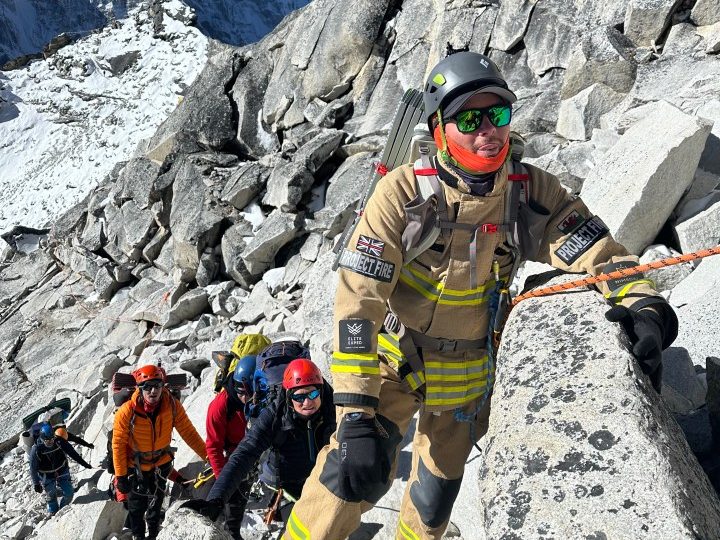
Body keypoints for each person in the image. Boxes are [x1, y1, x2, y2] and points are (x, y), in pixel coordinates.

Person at [284, 51, 679, 539]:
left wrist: (643, 304)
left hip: (467, 376)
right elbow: (358, 302)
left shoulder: (529, 191)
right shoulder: (402, 196)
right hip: (394, 360)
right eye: (470, 118)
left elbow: (596, 249)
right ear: (438, 129)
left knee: (431, 505)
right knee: (344, 479)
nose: (488, 129)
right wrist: (355, 415)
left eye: (499, 114)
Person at [182, 358, 335, 531]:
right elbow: (244, 454)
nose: (307, 402)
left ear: (321, 392)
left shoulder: (334, 408)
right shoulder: (275, 415)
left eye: (313, 394)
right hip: (288, 486)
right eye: (299, 396)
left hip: (327, 482)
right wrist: (216, 500)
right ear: (288, 395)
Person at [112, 364, 207, 540]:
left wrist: (208, 457)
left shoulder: (172, 405)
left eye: (157, 385)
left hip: (160, 465)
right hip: (135, 467)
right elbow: (117, 445)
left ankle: (154, 535)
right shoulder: (126, 412)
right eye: (147, 387)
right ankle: (139, 537)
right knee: (136, 508)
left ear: (163, 386)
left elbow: (189, 433)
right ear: (139, 389)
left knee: (156, 505)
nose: (153, 391)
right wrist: (121, 476)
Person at [203, 355, 256, 539]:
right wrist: (224, 480)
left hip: (253, 451)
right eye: (242, 393)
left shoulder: (261, 394)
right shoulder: (219, 407)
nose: (246, 398)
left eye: (250, 393)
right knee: (233, 508)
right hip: (232, 458)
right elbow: (213, 447)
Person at [29, 422, 92, 515]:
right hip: (46, 475)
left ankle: (62, 510)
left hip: (62, 469)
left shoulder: (59, 441)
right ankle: (53, 512)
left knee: (69, 492)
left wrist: (84, 464)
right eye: (47, 440)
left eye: (52, 439)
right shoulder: (36, 449)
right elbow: (33, 468)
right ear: (42, 438)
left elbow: (72, 453)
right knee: (51, 494)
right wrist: (36, 483)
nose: (50, 442)